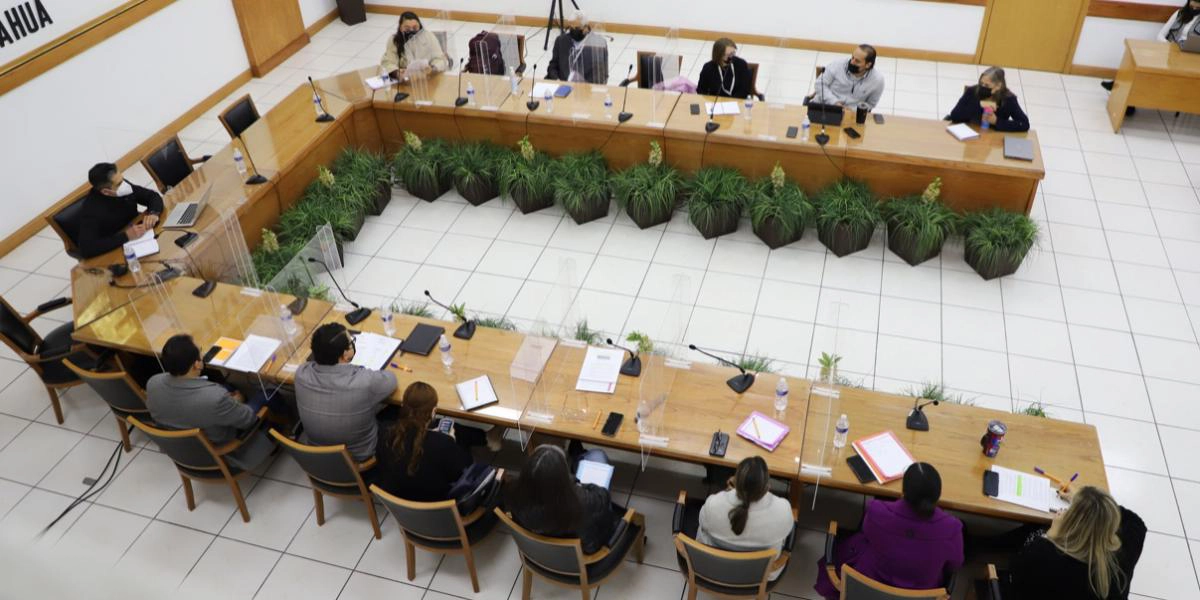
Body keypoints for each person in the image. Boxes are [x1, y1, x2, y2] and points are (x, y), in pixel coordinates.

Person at [814, 463, 963, 598]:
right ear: (938, 496)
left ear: (903, 492)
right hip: (921, 593)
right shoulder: (952, 529)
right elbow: (955, 564)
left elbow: (866, 531)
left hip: (866, 587)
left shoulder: (877, 512)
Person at [145, 334, 274, 470]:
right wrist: (239, 402)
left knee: (227, 387)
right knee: (269, 394)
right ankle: (281, 431)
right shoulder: (214, 399)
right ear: (197, 364)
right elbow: (249, 420)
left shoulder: (153, 383)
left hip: (185, 448)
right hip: (222, 447)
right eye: (200, 351)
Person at [1007, 486, 1145, 599]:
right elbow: (1136, 521)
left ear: (1073, 526)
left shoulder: (1045, 555)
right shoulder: (1129, 546)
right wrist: (1092, 504)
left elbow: (1016, 571)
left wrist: (1051, 534)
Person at [294, 322, 399, 463]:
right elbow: (391, 379)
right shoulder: (364, 382)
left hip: (318, 455)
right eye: (351, 343)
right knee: (395, 409)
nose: (353, 344)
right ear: (344, 355)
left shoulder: (301, 374)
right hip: (359, 456)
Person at [506, 444, 623, 554]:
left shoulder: (513, 493)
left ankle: (577, 454)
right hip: (585, 551)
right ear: (562, 479)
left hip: (541, 552)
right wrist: (577, 483)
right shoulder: (582, 502)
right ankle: (578, 456)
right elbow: (603, 496)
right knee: (598, 455)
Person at [695, 456, 794, 580]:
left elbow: (702, 522)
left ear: (735, 481)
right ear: (767, 486)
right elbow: (787, 532)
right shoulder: (783, 509)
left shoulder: (713, 504)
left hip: (714, 570)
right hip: (758, 576)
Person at [374, 381, 473, 502]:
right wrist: (451, 441)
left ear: (402, 405)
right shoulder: (443, 443)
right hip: (435, 504)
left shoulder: (384, 431)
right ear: (434, 411)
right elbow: (459, 473)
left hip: (395, 502)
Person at [1101, 0, 1200, 111]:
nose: (1194, 9)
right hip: (1167, 52)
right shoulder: (1179, 13)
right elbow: (1160, 35)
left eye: (1197, 8)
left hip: (1188, 59)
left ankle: (1119, 86)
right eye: (1192, 6)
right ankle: (1122, 89)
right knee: (1142, 64)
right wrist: (1170, 47)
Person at [78, 162, 163, 259]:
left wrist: (154, 213)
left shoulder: (123, 185)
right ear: (106, 192)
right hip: (118, 250)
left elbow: (152, 196)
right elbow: (86, 249)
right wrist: (126, 236)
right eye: (119, 184)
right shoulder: (91, 210)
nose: (124, 184)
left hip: (141, 234)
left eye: (122, 179)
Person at [948, 66, 1029, 132]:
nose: (982, 87)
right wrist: (979, 104)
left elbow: (1024, 124)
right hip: (970, 131)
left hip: (993, 138)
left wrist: (996, 121)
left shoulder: (1008, 99)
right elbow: (955, 115)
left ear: (998, 86)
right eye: (981, 83)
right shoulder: (972, 91)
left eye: (987, 85)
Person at [810, 44, 885, 111]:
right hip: (824, 105)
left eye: (857, 61)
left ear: (868, 65)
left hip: (851, 113)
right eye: (852, 57)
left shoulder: (878, 81)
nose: (852, 62)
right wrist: (835, 102)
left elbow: (870, 104)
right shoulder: (837, 64)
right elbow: (819, 84)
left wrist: (852, 110)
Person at [380, 11, 448, 81]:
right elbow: (387, 62)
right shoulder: (394, 40)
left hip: (427, 78)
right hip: (405, 80)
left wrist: (432, 68)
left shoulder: (429, 37)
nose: (411, 31)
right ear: (400, 28)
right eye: (407, 28)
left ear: (420, 27)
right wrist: (397, 73)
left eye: (415, 28)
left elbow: (441, 60)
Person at [546, 11, 609, 84]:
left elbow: (601, 75)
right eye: (570, 28)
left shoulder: (598, 44)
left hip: (586, 86)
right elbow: (553, 66)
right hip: (562, 84)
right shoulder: (561, 40)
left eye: (576, 28)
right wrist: (557, 81)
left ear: (585, 27)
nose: (573, 31)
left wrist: (584, 86)